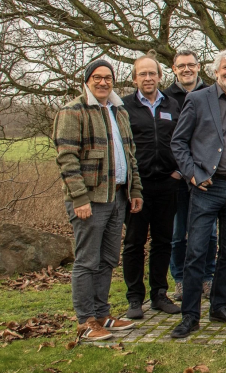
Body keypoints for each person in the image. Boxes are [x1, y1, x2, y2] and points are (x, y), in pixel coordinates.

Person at [170, 47, 226, 338]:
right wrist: (194, 176)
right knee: (196, 252)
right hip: (207, 187)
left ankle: (219, 307)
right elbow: (178, 143)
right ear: (215, 70)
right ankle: (190, 316)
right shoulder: (197, 100)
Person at [53, 59, 143, 341]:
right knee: (87, 261)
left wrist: (135, 190)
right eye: (97, 77)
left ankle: (103, 313)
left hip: (116, 196)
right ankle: (86, 320)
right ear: (87, 80)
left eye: (108, 78)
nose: (103, 82)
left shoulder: (119, 111)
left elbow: (130, 156)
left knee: (107, 260)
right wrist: (79, 198)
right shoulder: (73, 111)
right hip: (89, 200)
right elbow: (67, 158)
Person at [121, 51, 182, 319]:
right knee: (134, 243)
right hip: (137, 187)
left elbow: (185, 138)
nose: (148, 78)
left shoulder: (172, 105)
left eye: (152, 73)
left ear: (160, 76)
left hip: (167, 183)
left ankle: (159, 293)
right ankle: (135, 298)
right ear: (134, 79)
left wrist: (180, 170)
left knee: (163, 241)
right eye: (143, 74)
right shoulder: (123, 107)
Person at [165, 50, 217, 302]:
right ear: (174, 69)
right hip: (177, 177)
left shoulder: (211, 94)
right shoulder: (165, 98)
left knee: (210, 232)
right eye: (181, 66)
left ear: (199, 67)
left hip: (207, 177)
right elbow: (169, 139)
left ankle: (207, 278)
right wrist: (180, 170)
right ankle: (180, 280)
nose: (187, 69)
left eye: (191, 65)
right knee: (179, 232)